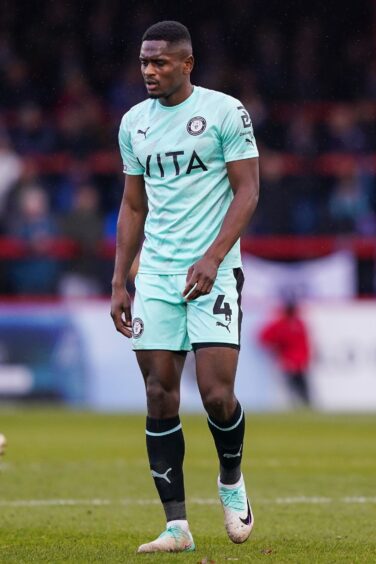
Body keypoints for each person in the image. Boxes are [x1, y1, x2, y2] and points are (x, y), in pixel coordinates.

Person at [111, 21, 259, 554]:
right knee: (157, 394)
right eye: (144, 63)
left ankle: (231, 478)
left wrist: (213, 256)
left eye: (160, 63)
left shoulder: (224, 112)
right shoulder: (134, 123)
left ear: (186, 63)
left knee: (217, 395)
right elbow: (132, 205)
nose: (149, 71)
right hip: (154, 273)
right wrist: (119, 281)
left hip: (213, 270)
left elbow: (248, 190)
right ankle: (177, 527)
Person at [258, 299, 311, 405]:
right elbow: (264, 337)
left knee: (300, 386)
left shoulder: (292, 324)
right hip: (290, 362)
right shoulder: (287, 325)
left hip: (295, 362)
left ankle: (304, 404)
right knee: (295, 386)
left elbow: (304, 344)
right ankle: (300, 405)